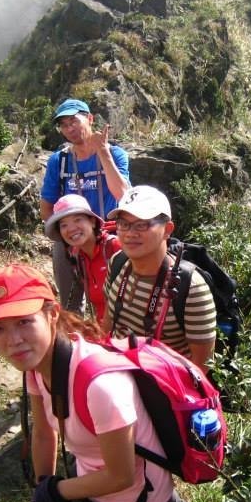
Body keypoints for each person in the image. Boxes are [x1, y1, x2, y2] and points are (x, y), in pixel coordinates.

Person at [0, 263, 175, 502]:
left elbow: (121, 475)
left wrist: (57, 491)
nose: (14, 340)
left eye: (24, 321)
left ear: (51, 314)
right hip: (94, 484)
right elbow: (43, 434)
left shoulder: (100, 384)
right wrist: (43, 493)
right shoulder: (38, 366)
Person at [102, 186, 217, 373]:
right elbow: (107, 322)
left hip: (164, 390)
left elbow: (201, 367)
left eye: (142, 224)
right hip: (114, 375)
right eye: (123, 224)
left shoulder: (190, 288)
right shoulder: (118, 262)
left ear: (167, 230)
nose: (130, 233)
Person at [40, 98, 130, 312]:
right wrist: (68, 234)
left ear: (90, 119)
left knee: (117, 302)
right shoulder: (59, 161)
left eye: (74, 121)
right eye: (63, 124)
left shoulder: (116, 154)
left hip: (111, 236)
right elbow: (46, 208)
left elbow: (123, 195)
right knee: (70, 305)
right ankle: (76, 341)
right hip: (71, 239)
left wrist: (103, 153)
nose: (69, 128)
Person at [44, 194, 122, 321]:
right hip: (105, 333)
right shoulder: (79, 258)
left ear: (92, 221)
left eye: (78, 220)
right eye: (64, 225)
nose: (71, 229)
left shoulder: (115, 248)